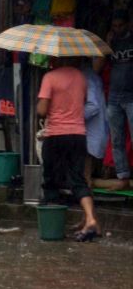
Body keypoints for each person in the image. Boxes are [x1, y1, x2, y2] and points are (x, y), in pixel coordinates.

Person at [38, 56, 101, 241]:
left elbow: (42, 110)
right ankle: (90, 219)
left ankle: (53, 227)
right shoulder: (81, 77)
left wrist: (41, 103)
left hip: (56, 135)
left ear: (55, 58)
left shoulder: (49, 77)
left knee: (51, 180)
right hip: (78, 135)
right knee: (78, 180)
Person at [98, 10, 132, 189]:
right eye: (115, 26)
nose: (117, 29)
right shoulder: (111, 44)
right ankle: (122, 176)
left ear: (127, 24)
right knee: (117, 138)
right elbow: (100, 65)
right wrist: (108, 43)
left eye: (120, 26)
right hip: (114, 96)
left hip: (131, 96)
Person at [83, 62, 108, 188]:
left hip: (90, 134)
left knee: (85, 175)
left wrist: (74, 117)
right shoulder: (90, 75)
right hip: (94, 132)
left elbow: (93, 106)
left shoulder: (86, 77)